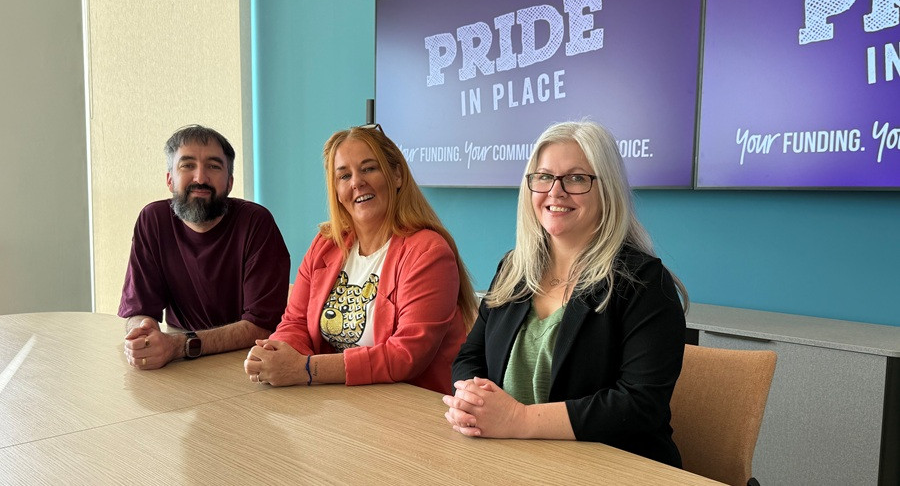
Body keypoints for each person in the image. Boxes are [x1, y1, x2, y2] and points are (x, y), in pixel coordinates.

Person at [444, 121, 688, 467]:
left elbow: (639, 405)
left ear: (608, 191)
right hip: (510, 459)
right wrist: (471, 399)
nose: (555, 192)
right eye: (543, 177)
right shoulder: (514, 269)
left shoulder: (645, 283)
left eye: (576, 178)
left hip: (611, 468)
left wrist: (518, 420)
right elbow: (470, 357)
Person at [244, 124, 477, 394]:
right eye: (344, 175)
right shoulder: (326, 244)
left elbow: (404, 356)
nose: (356, 182)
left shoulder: (428, 252)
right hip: (342, 400)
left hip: (412, 409)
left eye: (369, 168)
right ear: (336, 189)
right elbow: (295, 323)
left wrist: (307, 369)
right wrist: (276, 354)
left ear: (397, 175)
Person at [119, 125, 291, 370]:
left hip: (245, 363)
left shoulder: (256, 223)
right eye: (187, 165)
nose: (200, 178)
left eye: (213, 166)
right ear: (170, 179)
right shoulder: (152, 220)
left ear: (230, 182)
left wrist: (180, 345)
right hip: (183, 367)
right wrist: (142, 335)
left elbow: (261, 326)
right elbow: (139, 309)